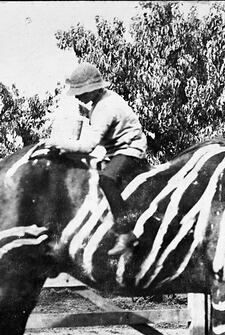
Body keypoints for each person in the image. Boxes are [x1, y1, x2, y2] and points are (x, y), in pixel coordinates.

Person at [43, 62, 148, 256]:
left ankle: (126, 233)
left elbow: (88, 146)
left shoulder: (105, 107)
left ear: (93, 89)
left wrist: (57, 142)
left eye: (80, 92)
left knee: (106, 179)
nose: (77, 96)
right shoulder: (100, 103)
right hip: (114, 150)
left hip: (130, 150)